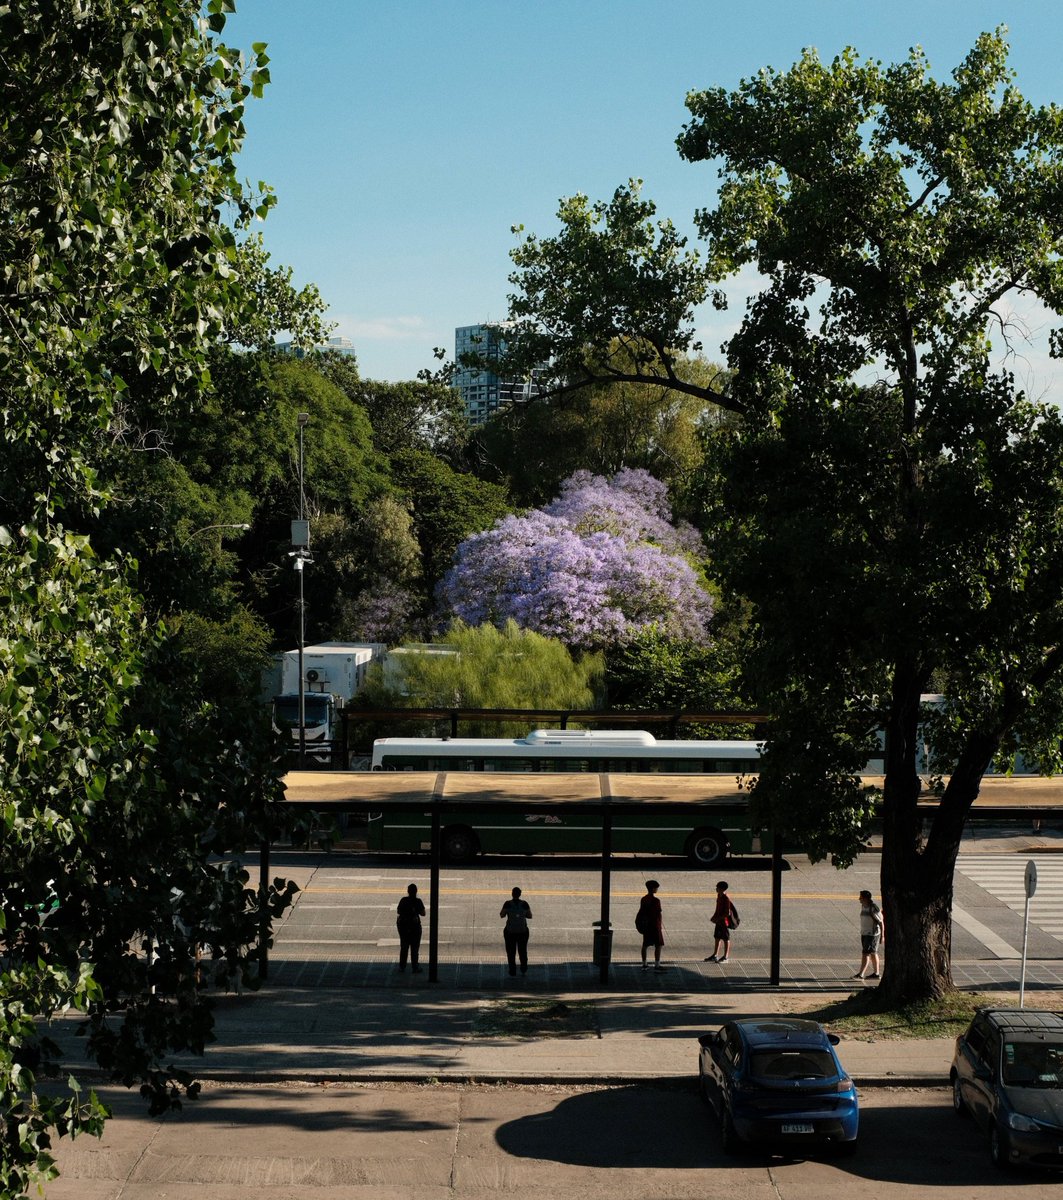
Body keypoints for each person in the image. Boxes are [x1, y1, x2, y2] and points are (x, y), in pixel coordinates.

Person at [499, 886, 533, 976]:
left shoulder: (507, 904)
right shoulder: (525, 904)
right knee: (522, 950)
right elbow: (530, 916)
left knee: (511, 952)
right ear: (520, 894)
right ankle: (523, 968)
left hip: (510, 932)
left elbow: (502, 915)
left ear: (512, 894)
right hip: (522, 932)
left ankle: (512, 970)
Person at [853, 889, 884, 979]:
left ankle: (861, 974)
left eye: (861, 898)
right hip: (865, 933)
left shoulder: (873, 908)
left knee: (866, 953)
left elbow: (881, 922)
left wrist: (882, 936)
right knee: (873, 953)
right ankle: (876, 974)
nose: (859, 899)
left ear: (866, 898)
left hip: (872, 934)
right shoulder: (864, 906)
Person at [396, 883, 426, 973]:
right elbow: (423, 913)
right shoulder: (418, 901)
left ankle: (402, 966)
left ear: (408, 891)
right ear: (416, 891)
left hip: (404, 927)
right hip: (415, 927)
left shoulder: (403, 900)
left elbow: (398, 911)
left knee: (404, 947)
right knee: (415, 948)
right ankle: (415, 966)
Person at [705, 880, 738, 963]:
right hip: (719, 921)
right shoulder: (719, 896)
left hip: (724, 922)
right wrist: (714, 916)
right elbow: (718, 908)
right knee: (717, 937)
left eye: (718, 888)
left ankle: (726, 957)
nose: (716, 889)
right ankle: (715, 955)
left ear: (722, 889)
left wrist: (718, 918)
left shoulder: (725, 898)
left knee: (726, 938)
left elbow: (727, 913)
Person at [638, 879, 665, 971]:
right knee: (658, 945)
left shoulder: (644, 899)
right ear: (653, 889)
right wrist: (659, 925)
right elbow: (658, 913)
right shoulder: (656, 901)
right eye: (656, 888)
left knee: (645, 945)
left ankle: (644, 964)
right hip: (655, 925)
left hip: (647, 925)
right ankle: (657, 965)